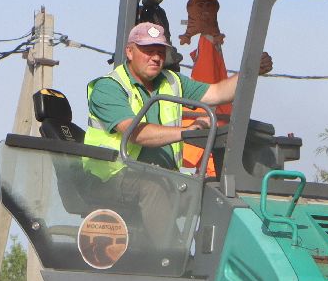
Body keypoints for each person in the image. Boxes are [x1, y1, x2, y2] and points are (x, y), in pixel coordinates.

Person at [83, 20, 256, 173]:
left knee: (206, 193)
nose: (156, 57)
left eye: (160, 51)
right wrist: (187, 131)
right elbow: (135, 133)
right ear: (129, 52)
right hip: (115, 176)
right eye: (148, 51)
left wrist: (252, 70)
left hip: (162, 176)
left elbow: (218, 93)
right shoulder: (108, 87)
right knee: (159, 193)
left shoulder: (172, 80)